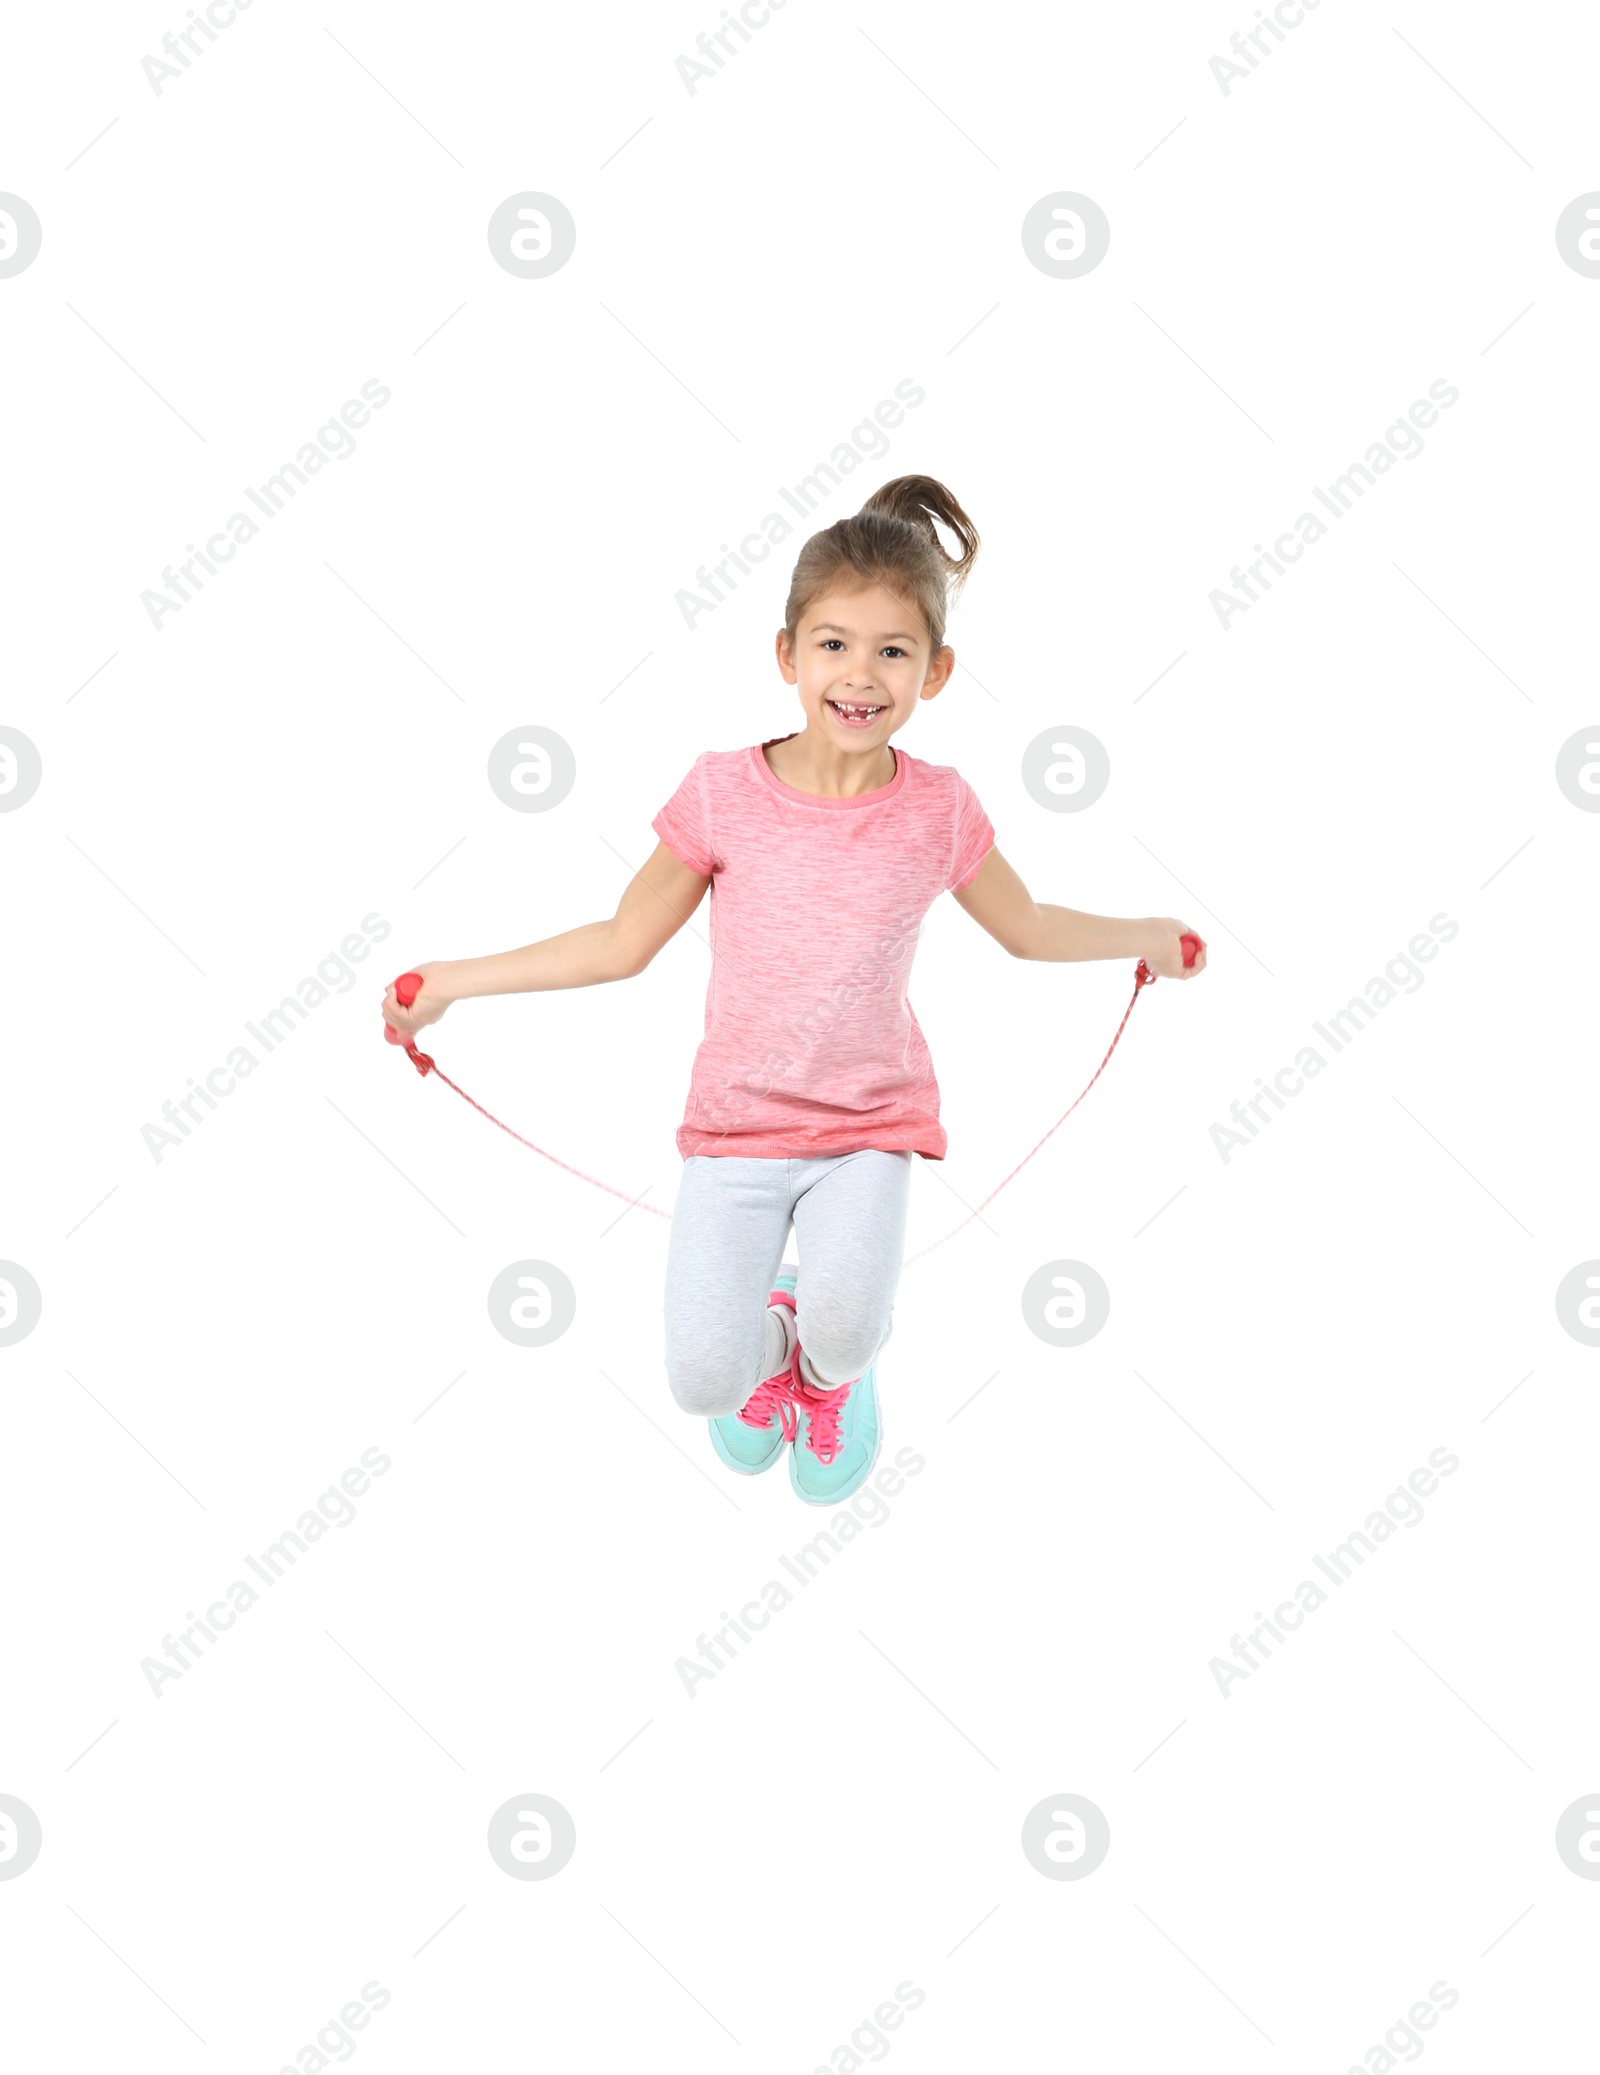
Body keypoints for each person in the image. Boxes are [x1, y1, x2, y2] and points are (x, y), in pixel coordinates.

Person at [381, 475, 1206, 1507]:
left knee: (851, 1328)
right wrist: (450, 983)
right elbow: (620, 940)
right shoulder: (724, 792)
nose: (860, 676)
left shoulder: (939, 809)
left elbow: (1027, 927)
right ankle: (778, 1331)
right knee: (704, 1380)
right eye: (833, 645)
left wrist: (1150, 937)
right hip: (735, 1132)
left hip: (870, 1123)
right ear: (786, 654)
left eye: (892, 651)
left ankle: (825, 1371)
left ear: (935, 672)